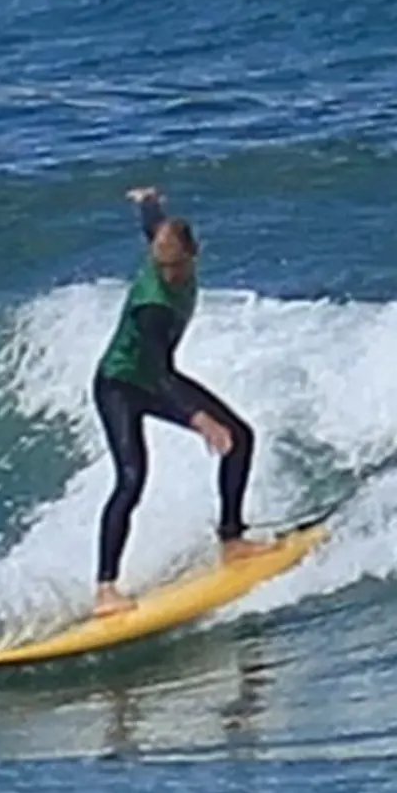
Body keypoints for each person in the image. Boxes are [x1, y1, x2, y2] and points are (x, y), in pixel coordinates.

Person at [92, 185, 258, 614]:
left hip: (156, 377)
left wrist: (147, 201)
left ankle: (232, 540)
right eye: (163, 269)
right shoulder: (154, 305)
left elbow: (155, 227)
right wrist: (200, 419)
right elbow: (157, 371)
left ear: (193, 253)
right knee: (131, 480)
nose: (170, 277)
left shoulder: (169, 247)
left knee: (240, 437)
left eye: (176, 267)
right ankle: (105, 590)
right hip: (121, 385)